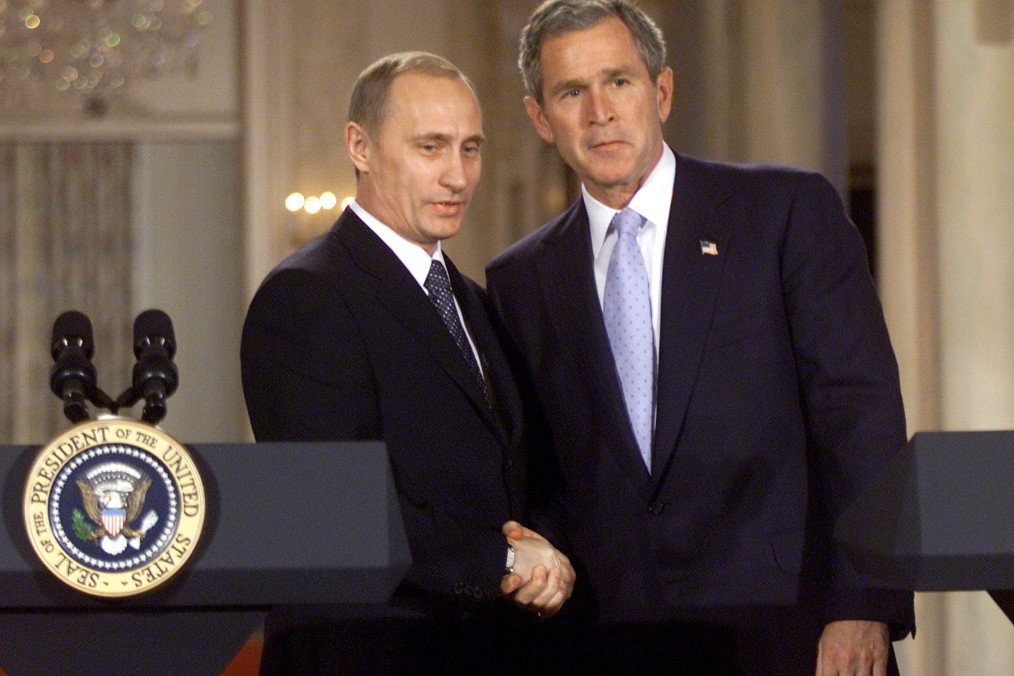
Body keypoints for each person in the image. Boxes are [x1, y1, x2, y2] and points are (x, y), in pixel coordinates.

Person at [485, 1, 915, 672]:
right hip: (609, 640)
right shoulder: (519, 279)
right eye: (572, 91)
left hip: (790, 634)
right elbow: (540, 470)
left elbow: (861, 418)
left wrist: (862, 604)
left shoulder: (784, 211)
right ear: (541, 118)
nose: (600, 110)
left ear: (661, 91)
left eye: (619, 81)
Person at [241, 51, 573, 673]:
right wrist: (502, 564)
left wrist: (546, 562)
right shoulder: (307, 294)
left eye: (470, 149)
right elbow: (333, 507)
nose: (457, 177)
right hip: (364, 653)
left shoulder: (475, 300)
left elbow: (520, 470)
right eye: (431, 148)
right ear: (359, 147)